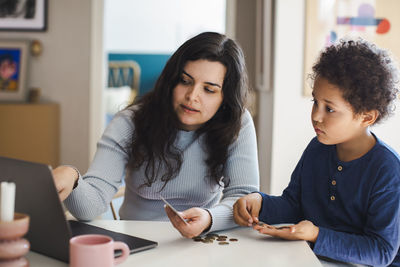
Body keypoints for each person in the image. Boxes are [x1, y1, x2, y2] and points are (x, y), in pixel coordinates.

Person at [53, 32, 259, 238]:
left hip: (203, 240)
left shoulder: (237, 123)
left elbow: (243, 200)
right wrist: (73, 179)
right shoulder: (129, 122)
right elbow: (93, 205)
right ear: (171, 80)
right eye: (185, 81)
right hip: (137, 240)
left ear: (225, 98)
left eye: (209, 89)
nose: (192, 96)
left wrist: (209, 219)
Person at [233, 39, 400, 266]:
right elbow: (293, 205)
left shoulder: (388, 170)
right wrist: (260, 202)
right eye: (315, 102)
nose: (316, 116)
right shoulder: (317, 148)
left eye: (329, 109)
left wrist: (316, 235)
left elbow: (380, 251)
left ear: (367, 117)